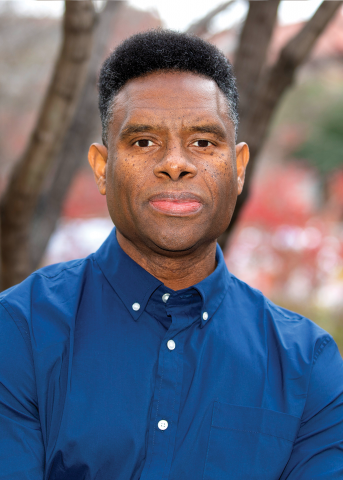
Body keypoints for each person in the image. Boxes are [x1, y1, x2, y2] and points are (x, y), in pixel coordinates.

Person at [0, 30, 342, 480]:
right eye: (144, 142)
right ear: (103, 168)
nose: (176, 163)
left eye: (203, 142)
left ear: (239, 169)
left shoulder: (306, 363)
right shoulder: (18, 332)